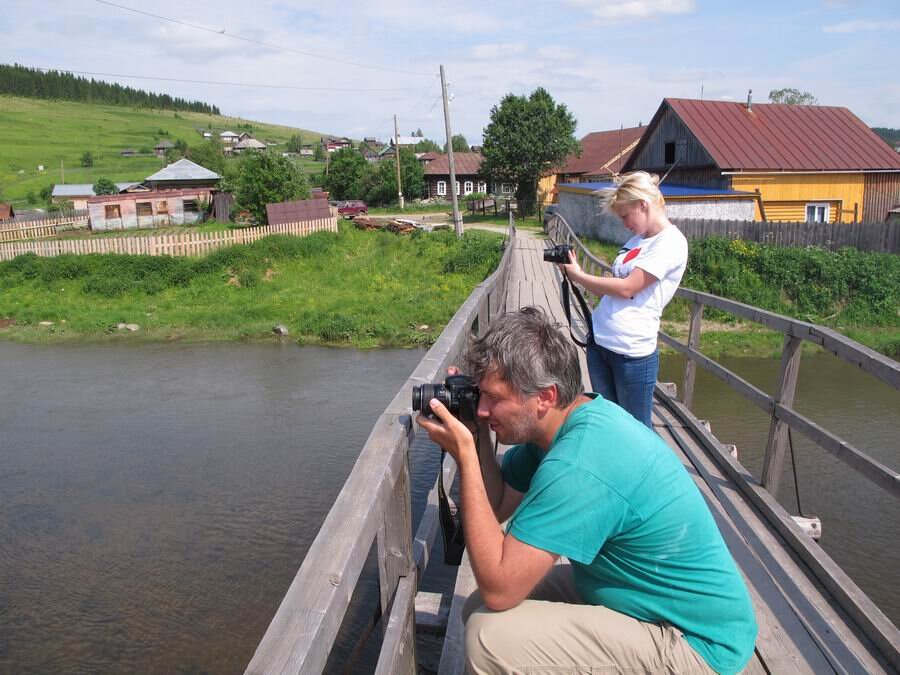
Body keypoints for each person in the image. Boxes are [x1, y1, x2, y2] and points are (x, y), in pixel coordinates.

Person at [416, 308, 757, 675]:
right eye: (479, 395)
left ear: (544, 396)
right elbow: (496, 504)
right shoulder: (565, 423)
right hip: (633, 594)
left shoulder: (581, 460)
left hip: (696, 644)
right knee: (476, 607)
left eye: (493, 398)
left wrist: (466, 456)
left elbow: (502, 586)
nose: (483, 410)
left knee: (488, 638)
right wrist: (477, 433)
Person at [559, 171, 688, 428]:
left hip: (631, 353)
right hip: (600, 344)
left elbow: (629, 288)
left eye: (625, 215)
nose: (624, 223)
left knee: (635, 430)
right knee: (608, 424)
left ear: (643, 204)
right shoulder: (637, 241)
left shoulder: (671, 242)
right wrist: (574, 275)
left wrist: (581, 276)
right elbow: (611, 287)